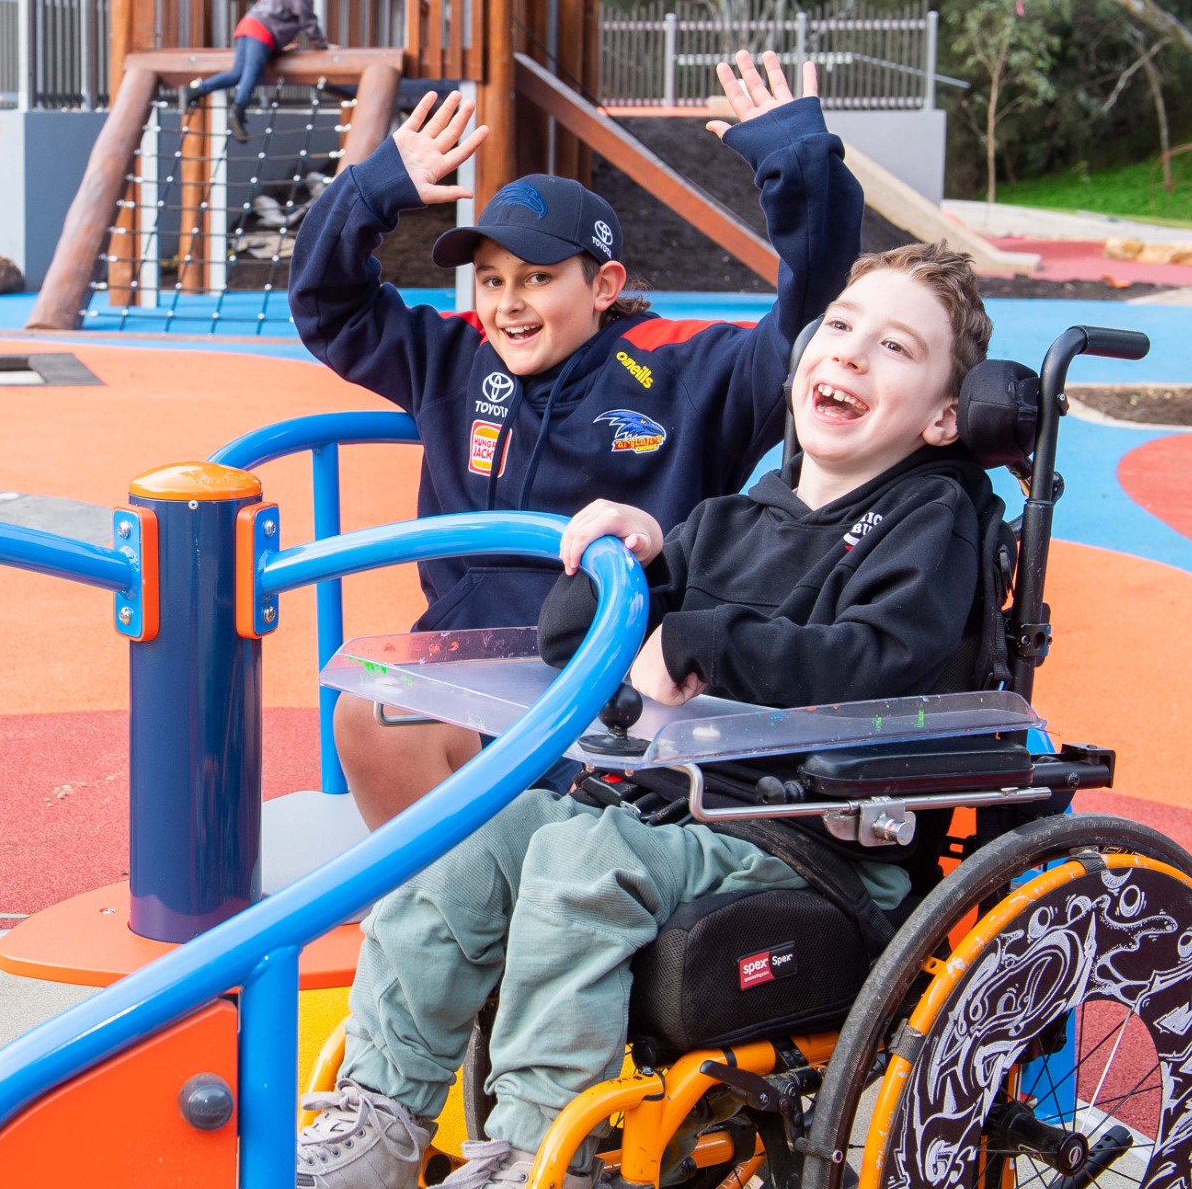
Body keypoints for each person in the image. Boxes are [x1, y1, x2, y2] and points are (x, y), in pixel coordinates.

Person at [298, 244, 1005, 1189]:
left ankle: (536, 1171)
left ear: (943, 415)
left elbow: (881, 658)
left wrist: (706, 635)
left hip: (820, 850)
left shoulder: (934, 517)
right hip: (686, 818)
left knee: (584, 855)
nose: (850, 352)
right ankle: (380, 1119)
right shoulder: (735, 515)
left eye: (895, 346)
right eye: (842, 326)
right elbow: (567, 631)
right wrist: (625, 557)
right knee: (474, 834)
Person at [289, 54, 863, 829]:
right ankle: (457, 928)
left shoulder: (683, 371)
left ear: (602, 285)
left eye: (536, 278)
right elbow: (329, 308)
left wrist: (799, 167)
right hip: (477, 672)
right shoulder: (454, 358)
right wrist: (372, 188)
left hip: (619, 691)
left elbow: (810, 322)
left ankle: (539, 911)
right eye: (491, 280)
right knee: (369, 713)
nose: (508, 304)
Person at [189, 0, 327, 134]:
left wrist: (278, 45)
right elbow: (306, 18)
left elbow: (279, 12)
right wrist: (322, 45)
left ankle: (195, 91)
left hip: (248, 24)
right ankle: (238, 109)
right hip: (262, 30)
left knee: (238, 72)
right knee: (252, 71)